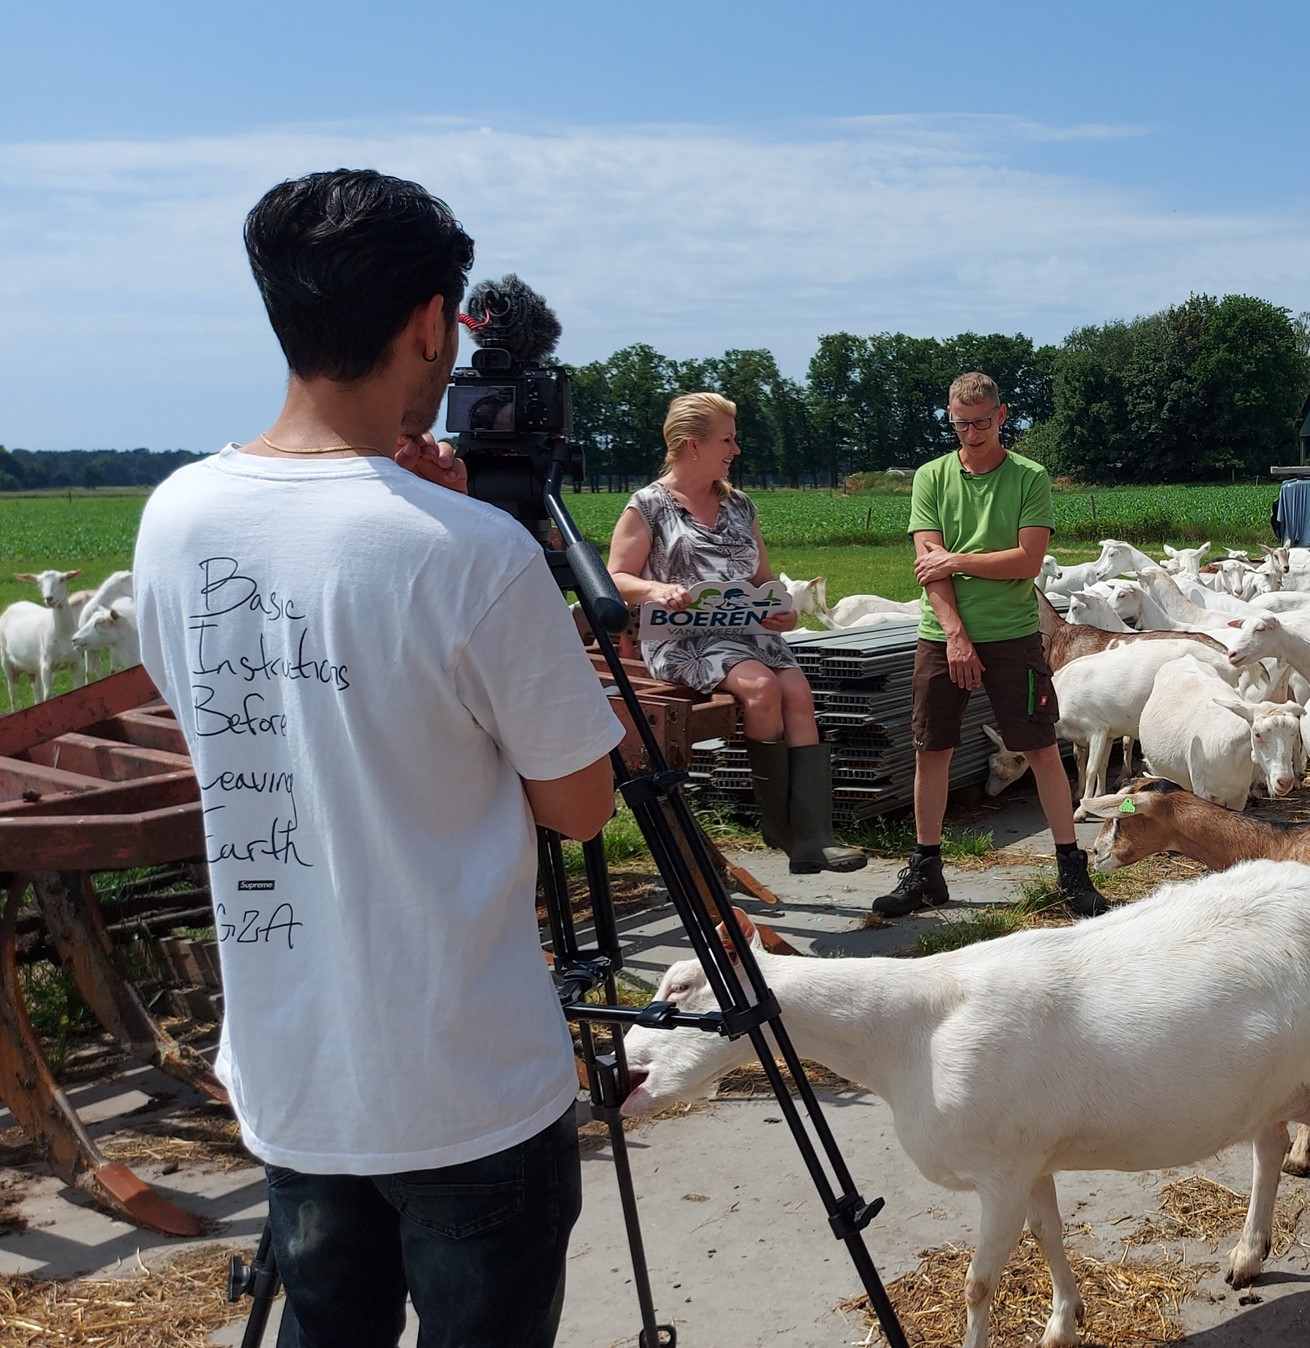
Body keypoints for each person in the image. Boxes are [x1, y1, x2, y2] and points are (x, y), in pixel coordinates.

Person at [132, 169, 624, 1348]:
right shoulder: (475, 554)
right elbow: (580, 805)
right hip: (468, 1084)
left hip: (293, 1075)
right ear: (430, 324)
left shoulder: (175, 517)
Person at [873, 372, 1107, 918]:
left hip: (1013, 634)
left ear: (1001, 415)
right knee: (931, 750)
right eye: (961, 424)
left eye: (981, 422)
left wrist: (956, 558)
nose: (972, 433)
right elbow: (928, 570)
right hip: (942, 636)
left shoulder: (1029, 476)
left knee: (1040, 748)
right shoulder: (931, 477)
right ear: (949, 418)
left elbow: (1027, 561)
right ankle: (926, 871)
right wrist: (955, 635)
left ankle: (1071, 870)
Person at [607, 393, 865, 874]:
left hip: (748, 632)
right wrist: (656, 590)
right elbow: (615, 578)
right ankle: (781, 828)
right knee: (762, 687)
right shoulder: (648, 506)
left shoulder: (740, 505)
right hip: (682, 639)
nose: (736, 449)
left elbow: (762, 578)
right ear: (693, 445)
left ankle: (815, 835)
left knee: (798, 691)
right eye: (727, 440)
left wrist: (781, 611)